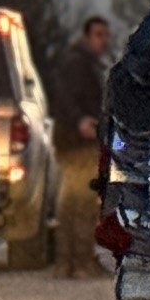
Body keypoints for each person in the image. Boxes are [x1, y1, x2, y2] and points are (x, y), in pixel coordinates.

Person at [48, 14, 112, 274]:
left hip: (77, 141)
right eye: (99, 35)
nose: (104, 41)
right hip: (78, 143)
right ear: (87, 36)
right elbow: (67, 100)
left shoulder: (85, 63)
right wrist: (81, 121)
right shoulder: (78, 64)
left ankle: (71, 261)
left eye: (106, 35)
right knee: (80, 204)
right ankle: (78, 261)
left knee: (75, 203)